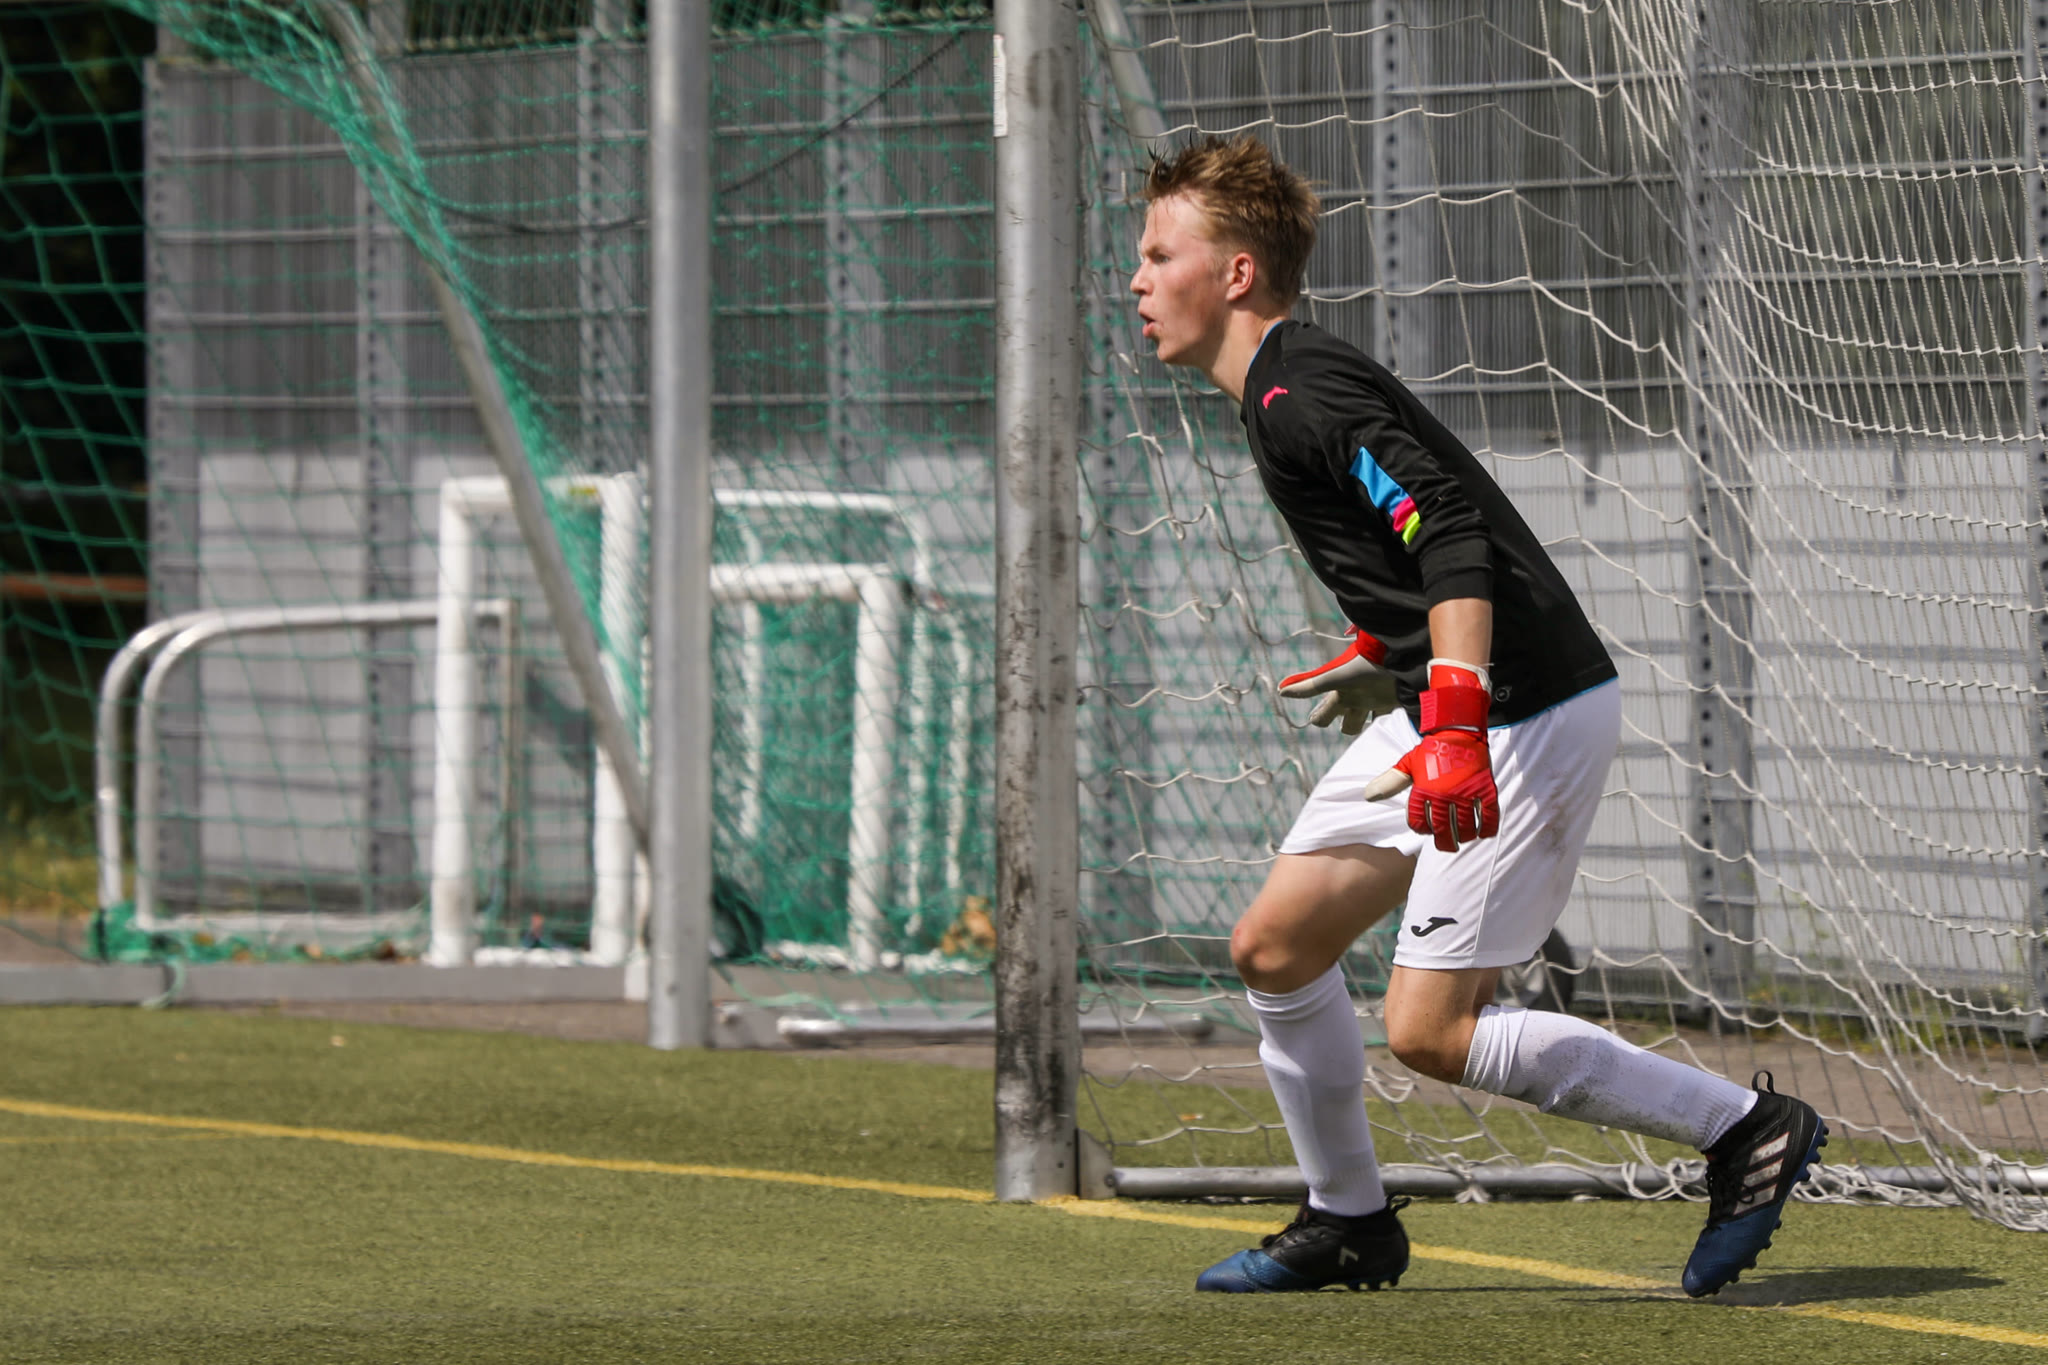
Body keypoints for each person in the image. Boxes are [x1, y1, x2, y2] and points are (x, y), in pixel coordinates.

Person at [1127, 135, 1825, 1299]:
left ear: (1235, 273)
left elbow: (1445, 531)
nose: (1137, 280)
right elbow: (1414, 547)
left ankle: (1744, 1128)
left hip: (1518, 712)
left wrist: (1449, 720)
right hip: (1448, 701)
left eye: (1159, 255)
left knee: (1430, 1031)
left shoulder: (1300, 395)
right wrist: (1386, 653)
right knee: (1274, 949)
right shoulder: (1276, 393)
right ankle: (1346, 1220)